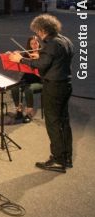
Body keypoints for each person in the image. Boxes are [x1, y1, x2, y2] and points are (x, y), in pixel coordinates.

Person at [9, 14, 74, 172]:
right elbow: (55, 60)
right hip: (66, 84)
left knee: (52, 122)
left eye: (38, 31)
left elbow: (42, 65)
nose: (37, 35)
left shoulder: (51, 43)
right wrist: (42, 56)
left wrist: (20, 59)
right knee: (63, 121)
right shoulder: (65, 40)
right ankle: (66, 156)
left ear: (43, 29)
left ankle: (58, 160)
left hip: (54, 86)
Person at [10, 35, 42, 124]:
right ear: (29, 45)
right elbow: (15, 59)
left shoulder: (43, 55)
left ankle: (29, 113)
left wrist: (38, 58)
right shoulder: (26, 54)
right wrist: (14, 54)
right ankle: (19, 110)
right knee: (14, 87)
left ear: (39, 43)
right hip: (26, 79)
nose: (34, 45)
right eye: (32, 44)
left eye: (36, 43)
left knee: (29, 89)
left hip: (39, 81)